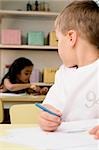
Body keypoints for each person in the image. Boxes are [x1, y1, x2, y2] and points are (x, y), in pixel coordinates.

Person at [39, 0, 99, 139]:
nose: (58, 46)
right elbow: (49, 107)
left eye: (58, 40)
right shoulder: (63, 74)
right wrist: (46, 118)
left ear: (71, 37)